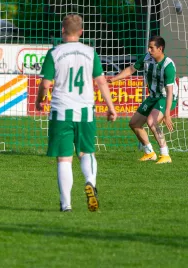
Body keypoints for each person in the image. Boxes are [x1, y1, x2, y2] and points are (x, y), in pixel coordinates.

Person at [35, 14, 117, 212]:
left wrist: (39, 100)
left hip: (62, 111)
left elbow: (45, 84)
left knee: (64, 158)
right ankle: (90, 181)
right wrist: (111, 107)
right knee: (86, 152)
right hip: (85, 111)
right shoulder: (90, 52)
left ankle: (66, 205)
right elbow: (101, 81)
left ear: (63, 30)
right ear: (81, 32)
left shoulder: (54, 53)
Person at [108, 35, 177, 164]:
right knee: (134, 123)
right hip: (153, 96)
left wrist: (167, 114)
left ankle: (165, 155)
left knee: (151, 121)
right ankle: (150, 152)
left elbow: (169, 91)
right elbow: (131, 69)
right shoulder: (146, 58)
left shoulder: (168, 65)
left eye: (152, 48)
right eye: (149, 48)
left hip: (166, 97)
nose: (149, 50)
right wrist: (114, 79)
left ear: (160, 48)